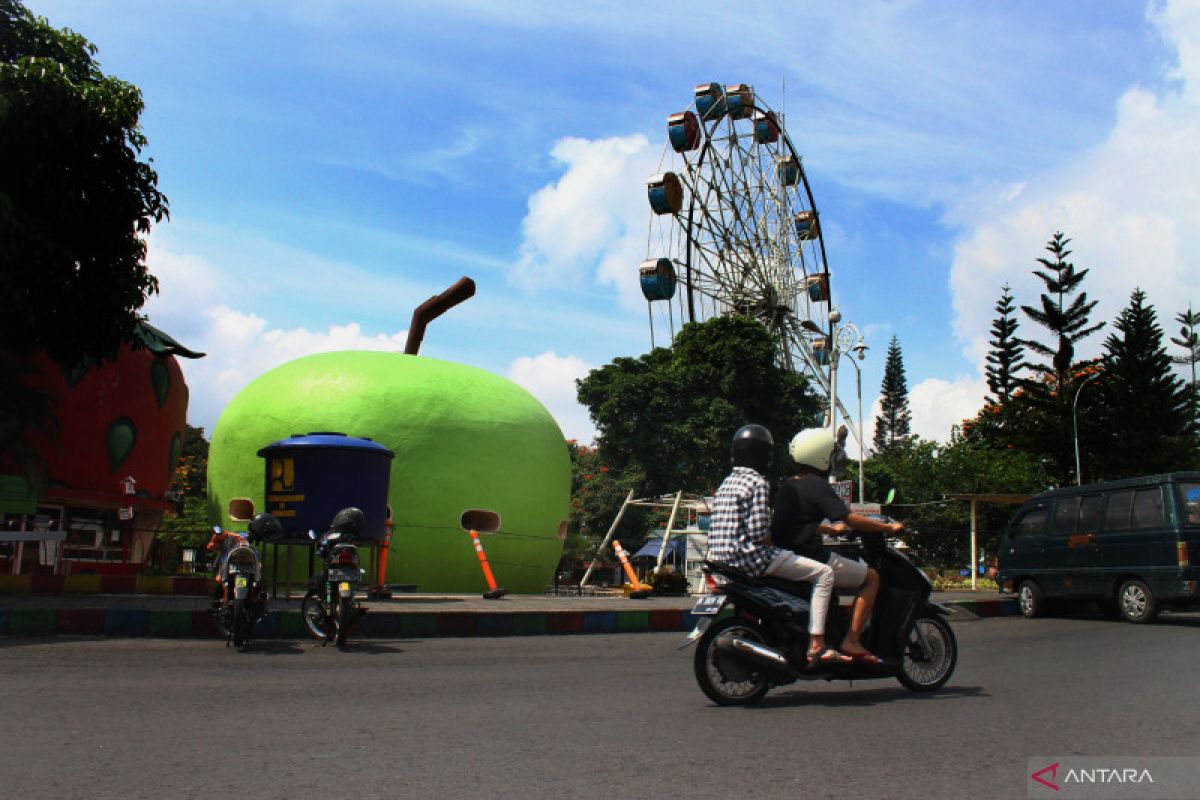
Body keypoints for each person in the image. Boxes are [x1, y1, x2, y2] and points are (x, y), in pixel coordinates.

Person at [706, 424, 847, 664]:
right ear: (763, 454)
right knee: (824, 574)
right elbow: (760, 532)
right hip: (750, 559)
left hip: (720, 560)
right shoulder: (758, 482)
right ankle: (817, 643)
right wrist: (779, 545)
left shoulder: (726, 483)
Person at [771, 427, 905, 664]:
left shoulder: (788, 485)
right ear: (821, 456)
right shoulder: (817, 485)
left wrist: (828, 529)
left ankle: (835, 633)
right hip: (809, 556)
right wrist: (887, 528)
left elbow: (796, 521)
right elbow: (850, 518)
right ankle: (851, 640)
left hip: (786, 554)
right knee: (872, 578)